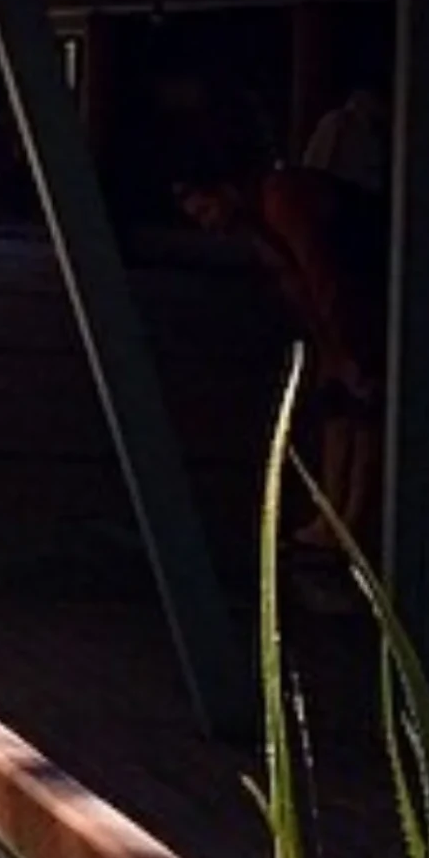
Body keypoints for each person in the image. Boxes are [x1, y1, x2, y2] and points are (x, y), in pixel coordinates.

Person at [176, 137, 388, 557]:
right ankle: (329, 515)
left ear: (227, 191)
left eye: (205, 209)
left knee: (367, 407)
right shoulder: (256, 227)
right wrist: (327, 351)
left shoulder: (281, 197)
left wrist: (348, 347)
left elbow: (322, 276)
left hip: (372, 283)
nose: (207, 223)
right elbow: (297, 289)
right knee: (334, 403)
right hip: (336, 306)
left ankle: (354, 518)